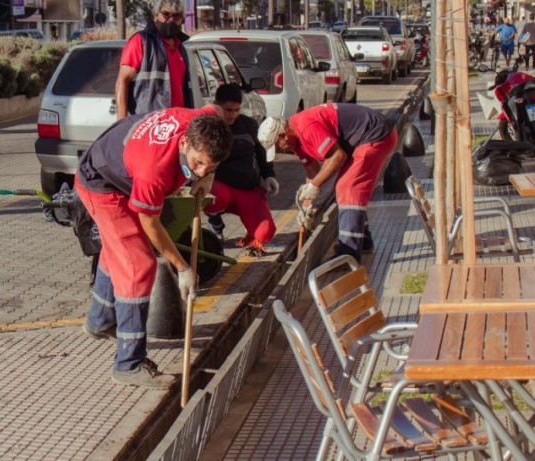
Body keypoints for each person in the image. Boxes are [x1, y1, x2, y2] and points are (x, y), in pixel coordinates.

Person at [75, 105, 232, 389]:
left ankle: (99, 321)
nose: (200, 171)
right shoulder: (153, 168)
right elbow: (150, 222)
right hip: (102, 184)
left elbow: (217, 109)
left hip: (118, 167)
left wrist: (207, 176)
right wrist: (182, 267)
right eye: (197, 163)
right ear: (184, 142)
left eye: (211, 167)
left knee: (118, 249)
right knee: (139, 265)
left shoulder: (204, 123)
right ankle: (128, 364)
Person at [258, 103, 397, 264]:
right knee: (344, 187)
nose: (281, 151)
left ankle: (349, 254)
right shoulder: (295, 142)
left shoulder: (305, 127)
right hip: (366, 138)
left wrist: (314, 186)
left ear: (284, 135)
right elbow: (313, 172)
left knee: (348, 187)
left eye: (278, 147)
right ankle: (363, 241)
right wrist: (307, 207)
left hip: (377, 134)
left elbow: (338, 156)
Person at [205, 84, 278, 253]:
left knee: (265, 233)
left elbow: (262, 153)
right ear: (216, 104)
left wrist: (269, 176)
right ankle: (215, 223)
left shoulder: (249, 125)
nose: (233, 115)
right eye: (228, 110)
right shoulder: (207, 126)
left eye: (237, 110)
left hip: (247, 187)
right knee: (213, 198)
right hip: (219, 186)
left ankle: (251, 230)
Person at [115, 0, 191, 120]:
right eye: (166, 14)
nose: (171, 20)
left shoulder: (181, 47)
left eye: (176, 16)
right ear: (156, 15)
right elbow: (122, 81)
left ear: (182, 19)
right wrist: (121, 123)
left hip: (176, 122)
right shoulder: (141, 41)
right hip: (148, 123)